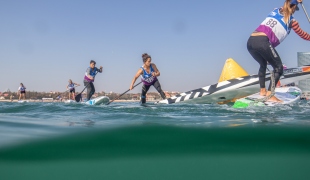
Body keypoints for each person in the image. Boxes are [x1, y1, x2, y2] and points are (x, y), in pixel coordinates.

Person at [247, 0, 310, 102]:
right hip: (262, 41)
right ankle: (270, 94)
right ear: (294, 8)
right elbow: (303, 35)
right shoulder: (292, 21)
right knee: (278, 68)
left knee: (263, 65)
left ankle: (262, 91)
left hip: (250, 42)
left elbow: (286, 5)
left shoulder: (275, 10)